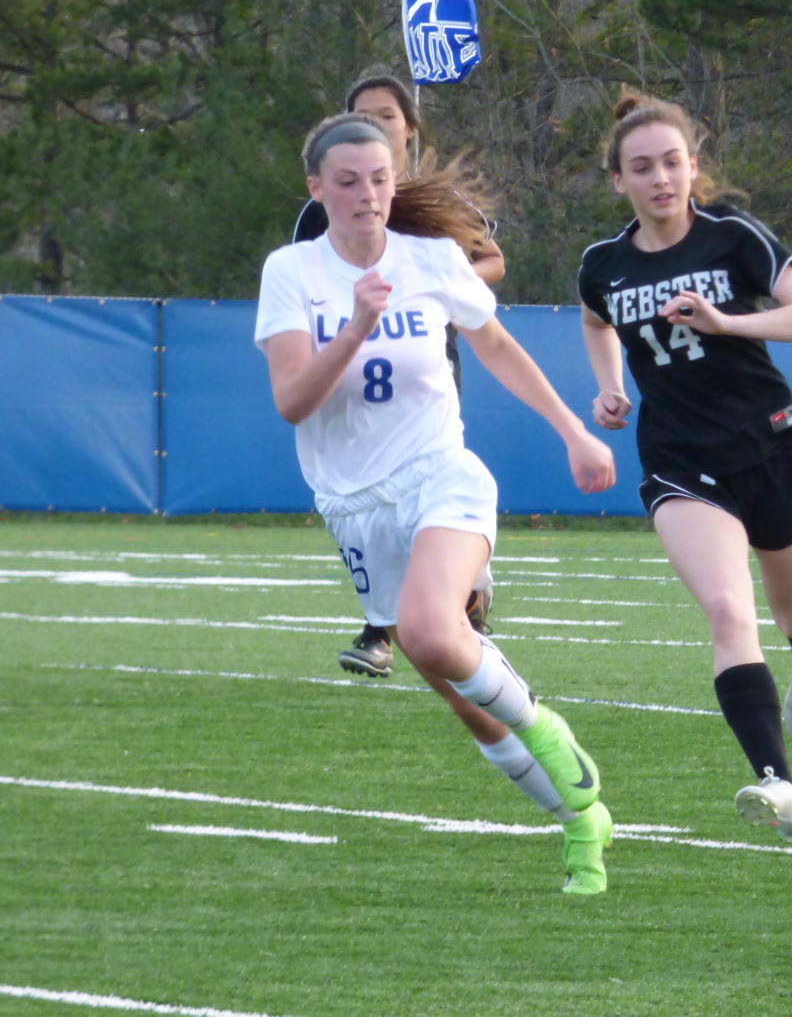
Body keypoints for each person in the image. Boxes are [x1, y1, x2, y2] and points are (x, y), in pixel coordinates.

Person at [256, 111, 618, 893]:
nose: (367, 195)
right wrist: (353, 328)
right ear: (315, 189)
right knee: (450, 680)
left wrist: (572, 432)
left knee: (428, 627)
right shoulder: (290, 273)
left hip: (438, 471)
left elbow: (494, 344)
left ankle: (547, 728)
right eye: (347, 182)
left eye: (380, 179)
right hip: (354, 506)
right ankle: (579, 820)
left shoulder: (431, 260)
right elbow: (292, 400)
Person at [577, 90, 792, 841]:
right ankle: (777, 782)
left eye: (672, 162)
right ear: (617, 181)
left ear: (694, 167)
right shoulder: (602, 263)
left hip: (767, 442)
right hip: (679, 460)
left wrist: (727, 321)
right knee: (729, 613)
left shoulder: (733, 238)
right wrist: (609, 386)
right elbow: (596, 318)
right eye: (641, 167)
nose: (660, 178)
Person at [293, 71, 503, 679]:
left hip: (420, 357)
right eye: (363, 115)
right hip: (348, 364)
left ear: (409, 129)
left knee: (425, 478)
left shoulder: (437, 206)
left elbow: (492, 260)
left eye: (388, 116)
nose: (377, 125)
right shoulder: (322, 211)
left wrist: (434, 285)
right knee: (357, 489)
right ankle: (408, 611)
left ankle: (391, 626)